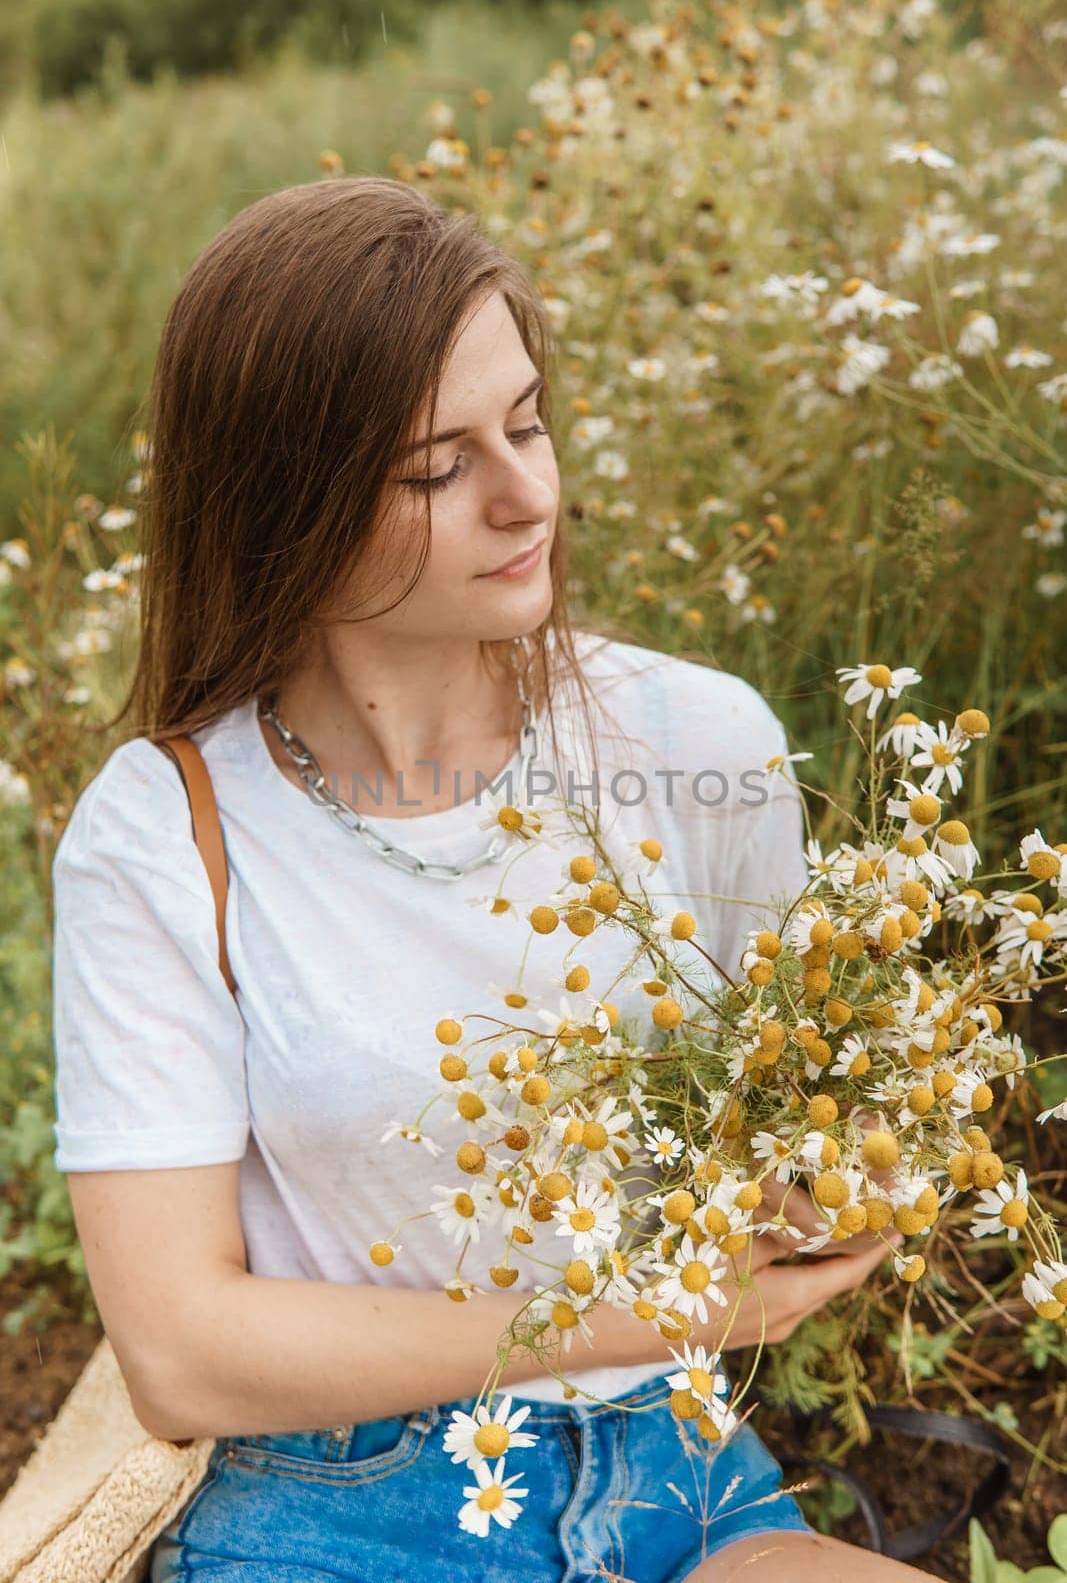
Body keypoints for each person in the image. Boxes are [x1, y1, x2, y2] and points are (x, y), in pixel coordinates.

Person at [51, 177, 942, 1582]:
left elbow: (793, 1133)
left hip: (679, 1471)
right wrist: (659, 1304)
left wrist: (829, 1194)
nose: (530, 493)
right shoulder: (164, 830)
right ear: (287, 500)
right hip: (342, 1510)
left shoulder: (698, 743)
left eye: (526, 422)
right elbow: (182, 1355)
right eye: (435, 467)